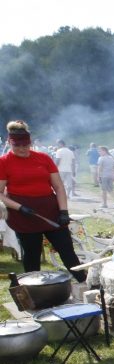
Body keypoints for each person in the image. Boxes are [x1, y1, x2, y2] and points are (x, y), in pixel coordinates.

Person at [0, 120, 86, 282]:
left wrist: (63, 211)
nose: (22, 149)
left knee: (67, 250)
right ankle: (35, 291)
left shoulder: (44, 158)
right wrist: (19, 208)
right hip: (23, 215)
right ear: (10, 143)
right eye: (17, 146)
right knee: (32, 255)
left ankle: (84, 283)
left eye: (25, 145)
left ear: (30, 142)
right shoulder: (4, 162)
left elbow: (59, 187)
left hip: (50, 210)